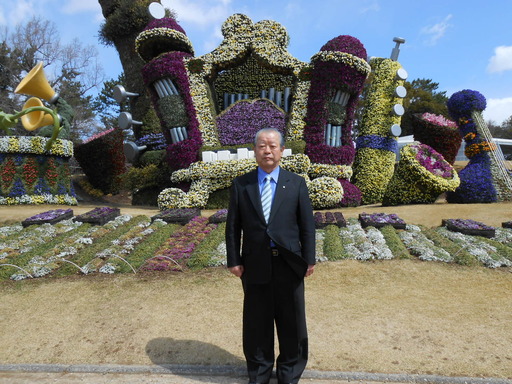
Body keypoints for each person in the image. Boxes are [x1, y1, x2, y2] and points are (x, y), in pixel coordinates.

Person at [225, 127, 316, 384]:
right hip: (254, 264)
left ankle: (290, 371)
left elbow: (307, 225)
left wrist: (309, 259)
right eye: (262, 145)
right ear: (255, 150)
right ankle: (259, 371)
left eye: (273, 145)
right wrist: (234, 259)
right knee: (257, 322)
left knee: (292, 322)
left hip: (290, 264)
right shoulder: (241, 184)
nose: (267, 150)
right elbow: (233, 226)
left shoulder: (296, 183)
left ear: (282, 150)